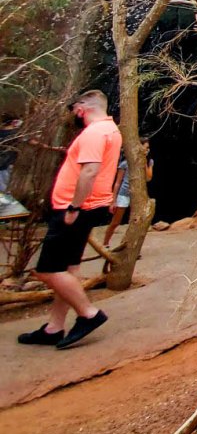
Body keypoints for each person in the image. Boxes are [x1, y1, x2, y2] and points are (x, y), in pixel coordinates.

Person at [17, 90, 122, 349]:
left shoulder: (94, 133)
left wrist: (73, 207)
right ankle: (54, 327)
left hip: (74, 209)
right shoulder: (111, 130)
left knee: (48, 270)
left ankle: (89, 314)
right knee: (68, 268)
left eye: (73, 110)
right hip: (89, 206)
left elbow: (89, 171)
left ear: (81, 108)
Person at [103, 139, 152, 250]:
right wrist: (113, 200)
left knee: (135, 222)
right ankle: (105, 243)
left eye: (148, 148)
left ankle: (130, 247)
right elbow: (118, 182)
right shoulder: (125, 163)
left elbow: (148, 178)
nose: (147, 150)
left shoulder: (148, 162)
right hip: (124, 194)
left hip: (138, 195)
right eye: (145, 147)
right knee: (116, 222)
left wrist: (144, 163)